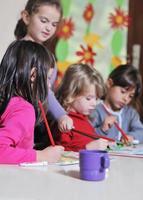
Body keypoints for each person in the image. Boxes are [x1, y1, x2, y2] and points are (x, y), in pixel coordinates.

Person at [0, 40, 64, 164]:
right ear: (33, 75)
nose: (49, 86)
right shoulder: (24, 109)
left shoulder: (7, 102)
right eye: (48, 78)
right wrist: (41, 156)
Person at [14, 0, 73, 133]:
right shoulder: (20, 51)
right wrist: (61, 115)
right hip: (18, 122)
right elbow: (43, 90)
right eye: (44, 20)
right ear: (26, 17)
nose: (49, 28)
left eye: (54, 24)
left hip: (37, 124)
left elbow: (48, 91)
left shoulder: (49, 56)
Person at [52, 63, 111, 152]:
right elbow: (60, 152)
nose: (94, 103)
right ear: (71, 94)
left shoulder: (84, 119)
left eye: (96, 98)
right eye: (88, 98)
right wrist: (86, 148)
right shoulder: (64, 122)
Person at [90, 64, 143, 144]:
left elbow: (141, 132)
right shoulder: (95, 111)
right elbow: (86, 135)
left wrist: (132, 136)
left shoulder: (131, 113)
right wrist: (102, 129)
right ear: (110, 83)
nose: (126, 99)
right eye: (123, 92)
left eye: (130, 96)